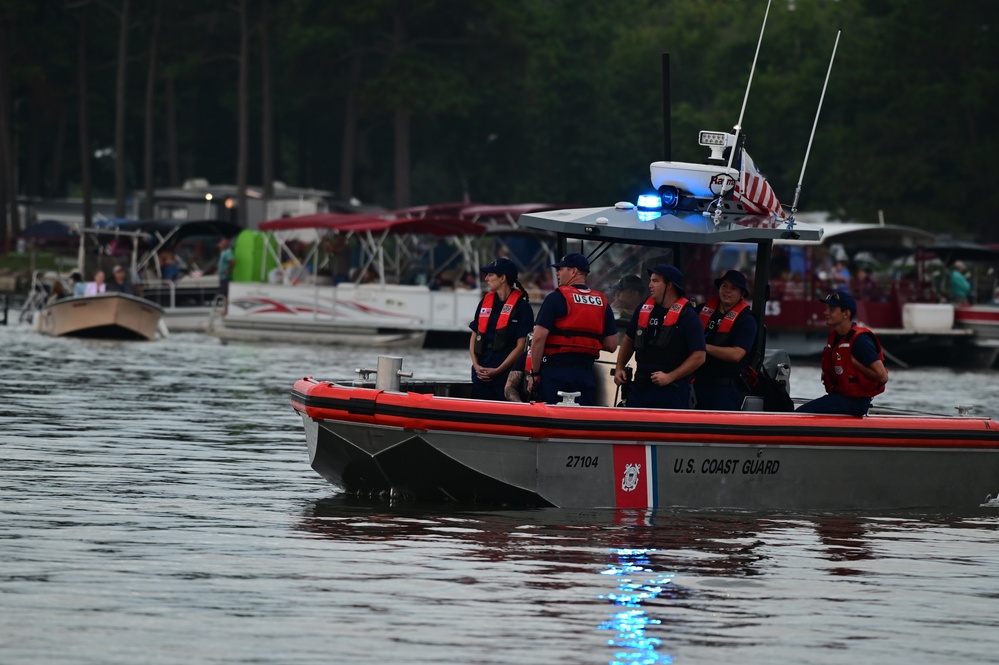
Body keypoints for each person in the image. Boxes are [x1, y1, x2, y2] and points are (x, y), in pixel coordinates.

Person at [528, 253, 617, 405]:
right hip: (586, 374)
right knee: (581, 420)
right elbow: (611, 345)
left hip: (557, 371)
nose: (557, 273)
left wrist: (534, 374)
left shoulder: (555, 298)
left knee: (552, 418)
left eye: (561, 269)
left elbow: (538, 339)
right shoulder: (602, 302)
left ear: (573, 271)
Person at [613, 264, 705, 409]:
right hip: (640, 387)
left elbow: (699, 356)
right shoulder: (644, 308)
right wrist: (619, 367)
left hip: (672, 390)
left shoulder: (688, 316)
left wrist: (670, 376)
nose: (650, 285)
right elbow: (629, 339)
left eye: (655, 281)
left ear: (669, 285)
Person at [796, 290, 889, 416]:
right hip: (841, 397)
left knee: (800, 414)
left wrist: (857, 365)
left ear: (846, 314)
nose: (826, 312)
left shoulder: (860, 341)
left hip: (856, 402)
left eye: (832, 309)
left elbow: (882, 377)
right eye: (827, 308)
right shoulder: (835, 337)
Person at [468, 258, 535, 400]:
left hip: (504, 376)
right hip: (480, 374)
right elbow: (474, 336)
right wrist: (476, 365)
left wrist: (498, 370)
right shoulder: (485, 302)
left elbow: (521, 346)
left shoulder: (523, 309)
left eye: (490, 275)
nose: (486, 279)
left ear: (503, 278)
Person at [694, 269, 758, 411]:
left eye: (733, 288)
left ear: (742, 294)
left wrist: (703, 346)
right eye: (724, 286)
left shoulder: (747, 320)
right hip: (697, 384)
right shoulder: (700, 310)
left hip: (725, 390)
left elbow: (736, 355)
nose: (727, 291)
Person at [217, 236, 235, 314]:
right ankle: (225, 309)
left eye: (222, 242)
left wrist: (228, 270)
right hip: (222, 277)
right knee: (224, 294)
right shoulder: (223, 252)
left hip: (226, 277)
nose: (220, 244)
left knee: (226, 294)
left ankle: (226, 310)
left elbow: (232, 262)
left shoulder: (228, 252)